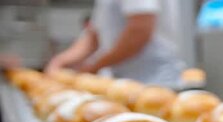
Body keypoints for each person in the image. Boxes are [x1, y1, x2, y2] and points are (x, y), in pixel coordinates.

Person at [45, 0, 184, 86]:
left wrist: (93, 67)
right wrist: (59, 61)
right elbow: (94, 35)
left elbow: (139, 30)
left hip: (153, 83)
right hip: (125, 83)